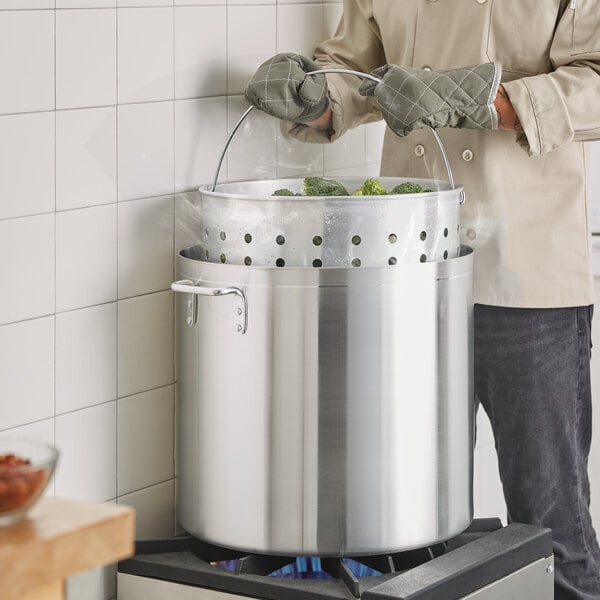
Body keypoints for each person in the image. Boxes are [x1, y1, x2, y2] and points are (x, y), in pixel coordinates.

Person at [244, 1, 600, 598]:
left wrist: (487, 100)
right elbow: (357, 73)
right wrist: (313, 94)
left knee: (549, 523)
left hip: (527, 276)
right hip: (408, 273)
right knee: (408, 521)